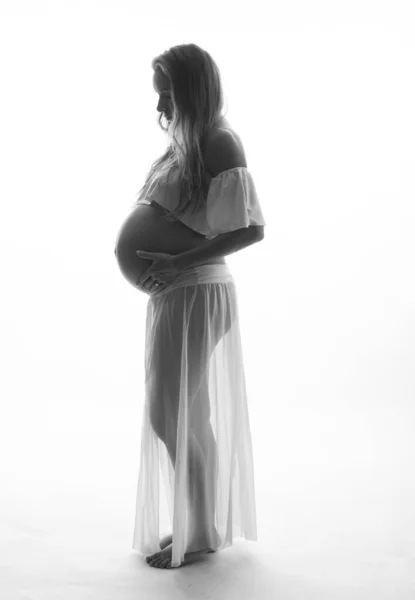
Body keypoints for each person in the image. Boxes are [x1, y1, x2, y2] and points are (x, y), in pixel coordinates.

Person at [131, 44, 266, 569]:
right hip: (180, 289)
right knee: (189, 414)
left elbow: (251, 230)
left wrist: (177, 262)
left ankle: (195, 529)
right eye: (158, 94)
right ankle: (203, 525)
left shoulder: (220, 140)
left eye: (168, 92)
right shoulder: (194, 139)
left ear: (194, 88)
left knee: (172, 414)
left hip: (195, 288)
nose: (161, 104)